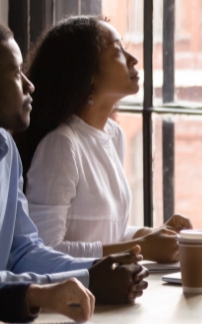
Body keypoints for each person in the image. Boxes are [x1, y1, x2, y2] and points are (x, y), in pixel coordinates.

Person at [0, 22, 149, 324]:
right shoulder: (62, 144)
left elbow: (23, 251)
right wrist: (40, 293)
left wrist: (91, 274)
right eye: (15, 73)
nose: (29, 85)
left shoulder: (5, 150)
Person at [18, 16, 191, 262]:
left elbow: (109, 234)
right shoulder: (61, 146)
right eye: (118, 52)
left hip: (111, 284)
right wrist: (141, 247)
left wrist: (154, 236)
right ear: (88, 73)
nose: (133, 59)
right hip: (72, 288)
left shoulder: (114, 135)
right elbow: (45, 251)